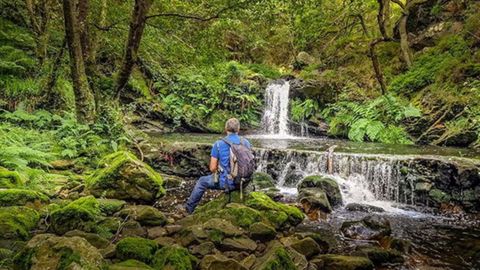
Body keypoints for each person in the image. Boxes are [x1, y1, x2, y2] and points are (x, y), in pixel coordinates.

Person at [185, 118, 252, 214]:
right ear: (238, 129)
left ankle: (188, 209)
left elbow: (212, 168)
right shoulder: (246, 142)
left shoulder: (219, 144)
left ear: (225, 129)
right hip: (244, 182)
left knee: (202, 181)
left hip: (227, 183)